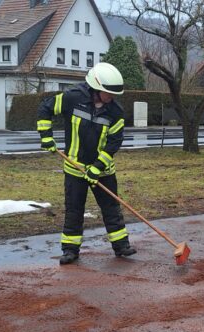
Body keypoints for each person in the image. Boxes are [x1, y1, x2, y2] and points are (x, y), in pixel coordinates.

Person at [37, 62, 136, 264]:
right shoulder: (72, 98)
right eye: (108, 93)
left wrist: (97, 168)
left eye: (113, 94)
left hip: (103, 171)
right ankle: (70, 250)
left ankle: (121, 246)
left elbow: (114, 143)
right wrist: (46, 136)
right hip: (74, 168)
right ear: (95, 88)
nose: (111, 97)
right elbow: (45, 108)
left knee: (111, 208)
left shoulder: (115, 112)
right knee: (74, 210)